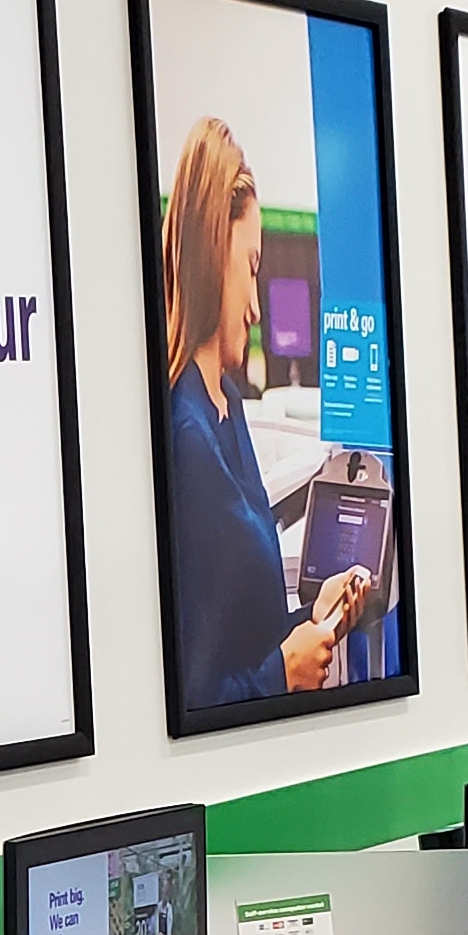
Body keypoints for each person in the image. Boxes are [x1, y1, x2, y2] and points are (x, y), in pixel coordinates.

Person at [161, 116, 366, 706]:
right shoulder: (186, 435)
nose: (255, 306)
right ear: (209, 256)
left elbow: (245, 635)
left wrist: (312, 615)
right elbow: (192, 695)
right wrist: (284, 673)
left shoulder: (227, 409)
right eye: (250, 270)